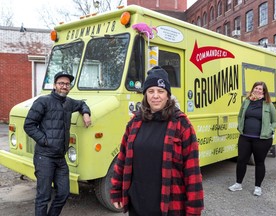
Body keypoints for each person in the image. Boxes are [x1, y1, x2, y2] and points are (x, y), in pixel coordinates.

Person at [110, 66, 204, 215]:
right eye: (151, 91)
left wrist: (194, 210)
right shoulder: (135, 122)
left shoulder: (181, 124)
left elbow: (192, 171)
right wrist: (116, 190)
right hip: (138, 204)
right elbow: (122, 160)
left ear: (168, 95)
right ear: (145, 94)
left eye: (160, 91)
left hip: (169, 206)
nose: (155, 96)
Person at [24, 71, 92, 216]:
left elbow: (82, 104)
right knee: (43, 197)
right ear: (55, 85)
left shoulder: (68, 102)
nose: (64, 86)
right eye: (61, 83)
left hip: (60, 158)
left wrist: (86, 113)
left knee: (63, 193)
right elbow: (29, 125)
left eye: (67, 84)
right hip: (44, 157)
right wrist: (45, 140)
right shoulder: (43, 101)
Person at [228, 81, 276, 196]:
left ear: (264, 92)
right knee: (241, 160)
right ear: (252, 89)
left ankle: (258, 187)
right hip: (245, 137)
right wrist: (240, 126)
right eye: (256, 88)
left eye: (260, 89)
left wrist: (270, 130)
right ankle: (238, 184)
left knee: (259, 162)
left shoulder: (268, 104)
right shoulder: (246, 102)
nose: (258, 90)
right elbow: (240, 115)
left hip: (262, 139)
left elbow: (275, 121)